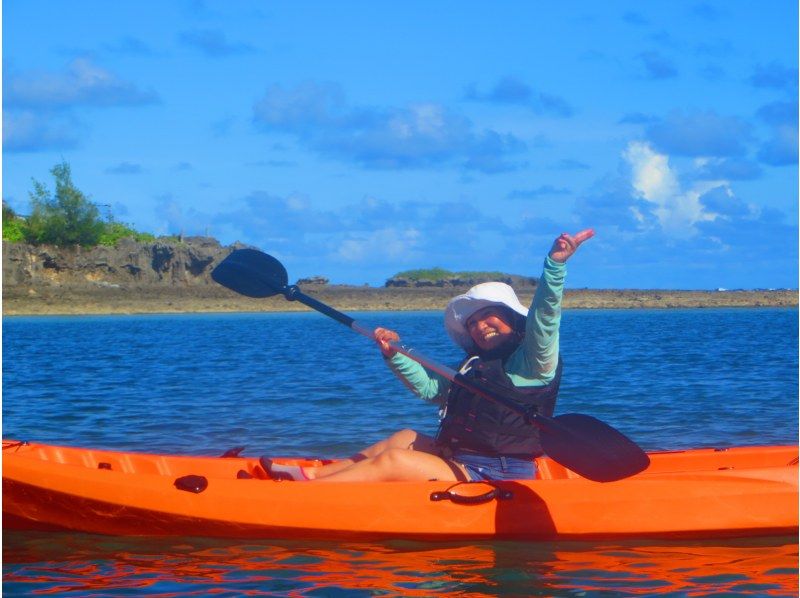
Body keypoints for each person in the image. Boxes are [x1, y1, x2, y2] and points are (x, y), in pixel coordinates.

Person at [262, 229, 594, 482]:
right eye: (473, 323)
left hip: (499, 474)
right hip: (462, 459)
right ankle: (314, 477)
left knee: (397, 461)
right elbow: (431, 389)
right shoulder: (478, 366)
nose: (481, 327)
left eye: (489, 315)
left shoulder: (535, 360)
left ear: (513, 319)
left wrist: (555, 267)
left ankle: (305, 497)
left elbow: (545, 318)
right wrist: (393, 354)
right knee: (404, 438)